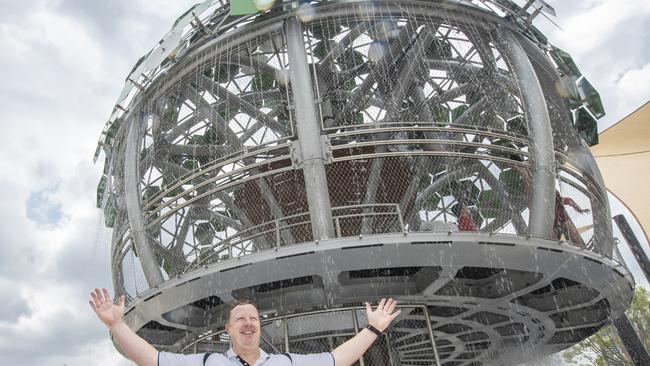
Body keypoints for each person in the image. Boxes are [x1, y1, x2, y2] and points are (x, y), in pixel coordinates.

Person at [89, 288, 401, 366]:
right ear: (228, 329)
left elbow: (336, 360)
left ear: (260, 326)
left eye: (253, 318)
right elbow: (151, 359)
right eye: (240, 319)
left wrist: (372, 330)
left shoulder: (286, 363)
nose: (248, 323)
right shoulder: (207, 363)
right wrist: (117, 325)